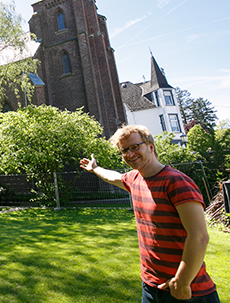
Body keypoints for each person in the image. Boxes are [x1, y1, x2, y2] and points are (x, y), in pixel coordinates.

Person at [80, 125, 220, 303]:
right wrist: (94, 168)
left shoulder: (176, 182)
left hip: (188, 291)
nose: (130, 154)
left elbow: (199, 236)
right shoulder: (134, 179)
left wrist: (182, 282)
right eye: (124, 150)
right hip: (151, 286)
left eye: (135, 147)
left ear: (151, 146)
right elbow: (112, 176)